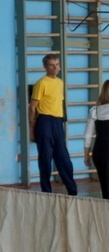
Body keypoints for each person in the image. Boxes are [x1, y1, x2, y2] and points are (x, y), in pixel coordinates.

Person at [28, 54, 78, 196]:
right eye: (51, 65)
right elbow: (32, 107)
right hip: (44, 121)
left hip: (57, 122)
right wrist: (32, 128)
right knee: (45, 158)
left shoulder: (60, 82)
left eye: (57, 65)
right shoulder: (41, 83)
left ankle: (72, 191)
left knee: (64, 158)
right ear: (45, 67)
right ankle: (46, 191)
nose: (55, 68)